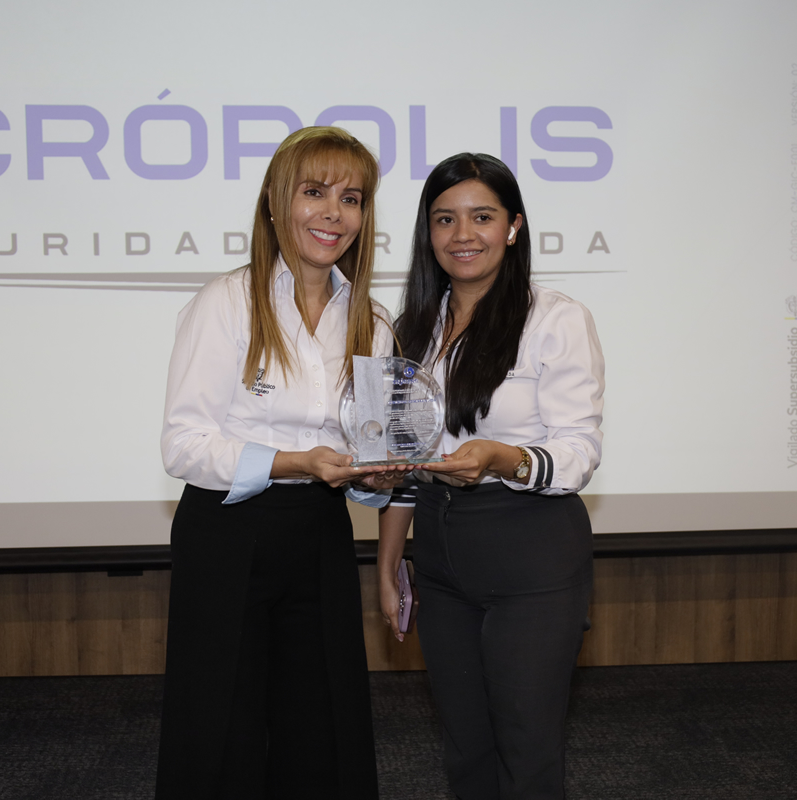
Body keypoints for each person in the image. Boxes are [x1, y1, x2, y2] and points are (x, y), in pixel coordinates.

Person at [157, 126, 400, 800]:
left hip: (318, 537)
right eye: (315, 192)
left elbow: (374, 463)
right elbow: (183, 445)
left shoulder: (372, 322)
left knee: (319, 726)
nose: (334, 213)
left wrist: (379, 480)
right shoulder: (225, 303)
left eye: (351, 199)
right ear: (275, 202)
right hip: (227, 534)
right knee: (221, 730)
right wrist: (295, 462)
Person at [378, 153, 605, 800]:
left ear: (514, 227)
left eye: (482, 216)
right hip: (442, 557)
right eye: (444, 219)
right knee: (465, 747)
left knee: (526, 746)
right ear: (428, 233)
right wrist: (391, 564)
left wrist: (500, 457)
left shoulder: (555, 320)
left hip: (530, 551)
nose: (462, 234)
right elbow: (403, 461)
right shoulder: (412, 329)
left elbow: (579, 452)